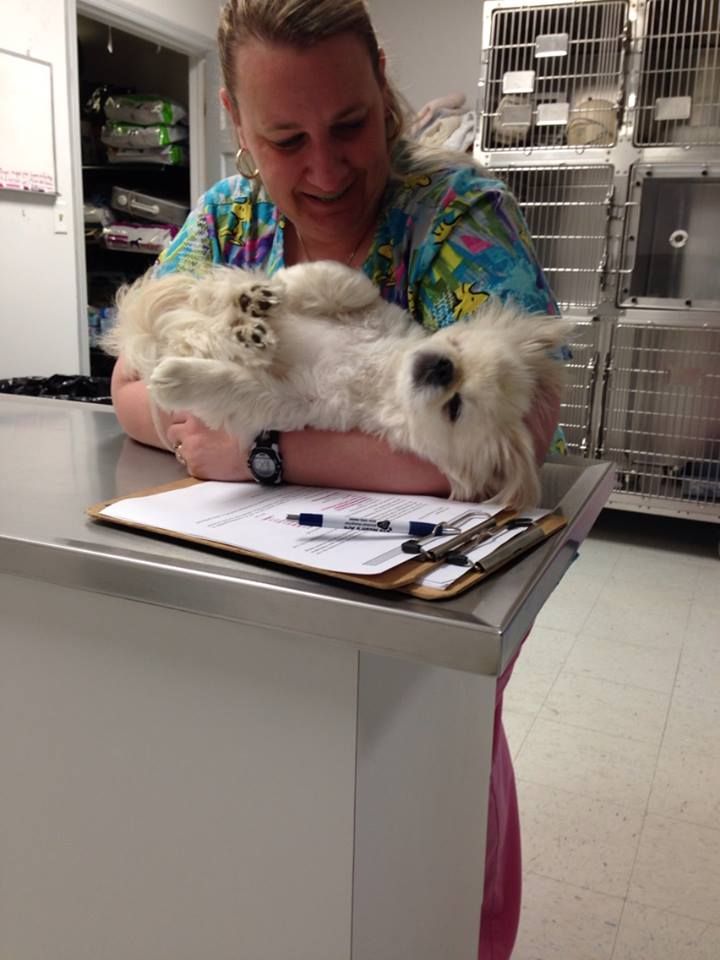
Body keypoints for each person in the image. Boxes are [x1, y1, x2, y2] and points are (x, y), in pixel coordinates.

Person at [110, 1, 567, 956]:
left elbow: (508, 436)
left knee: (424, 844)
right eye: (286, 140)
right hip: (248, 620)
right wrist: (206, 427)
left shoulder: (454, 215)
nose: (324, 170)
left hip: (414, 629)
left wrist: (263, 452)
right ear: (236, 122)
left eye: (350, 125)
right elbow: (131, 385)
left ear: (381, 81)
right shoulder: (226, 221)